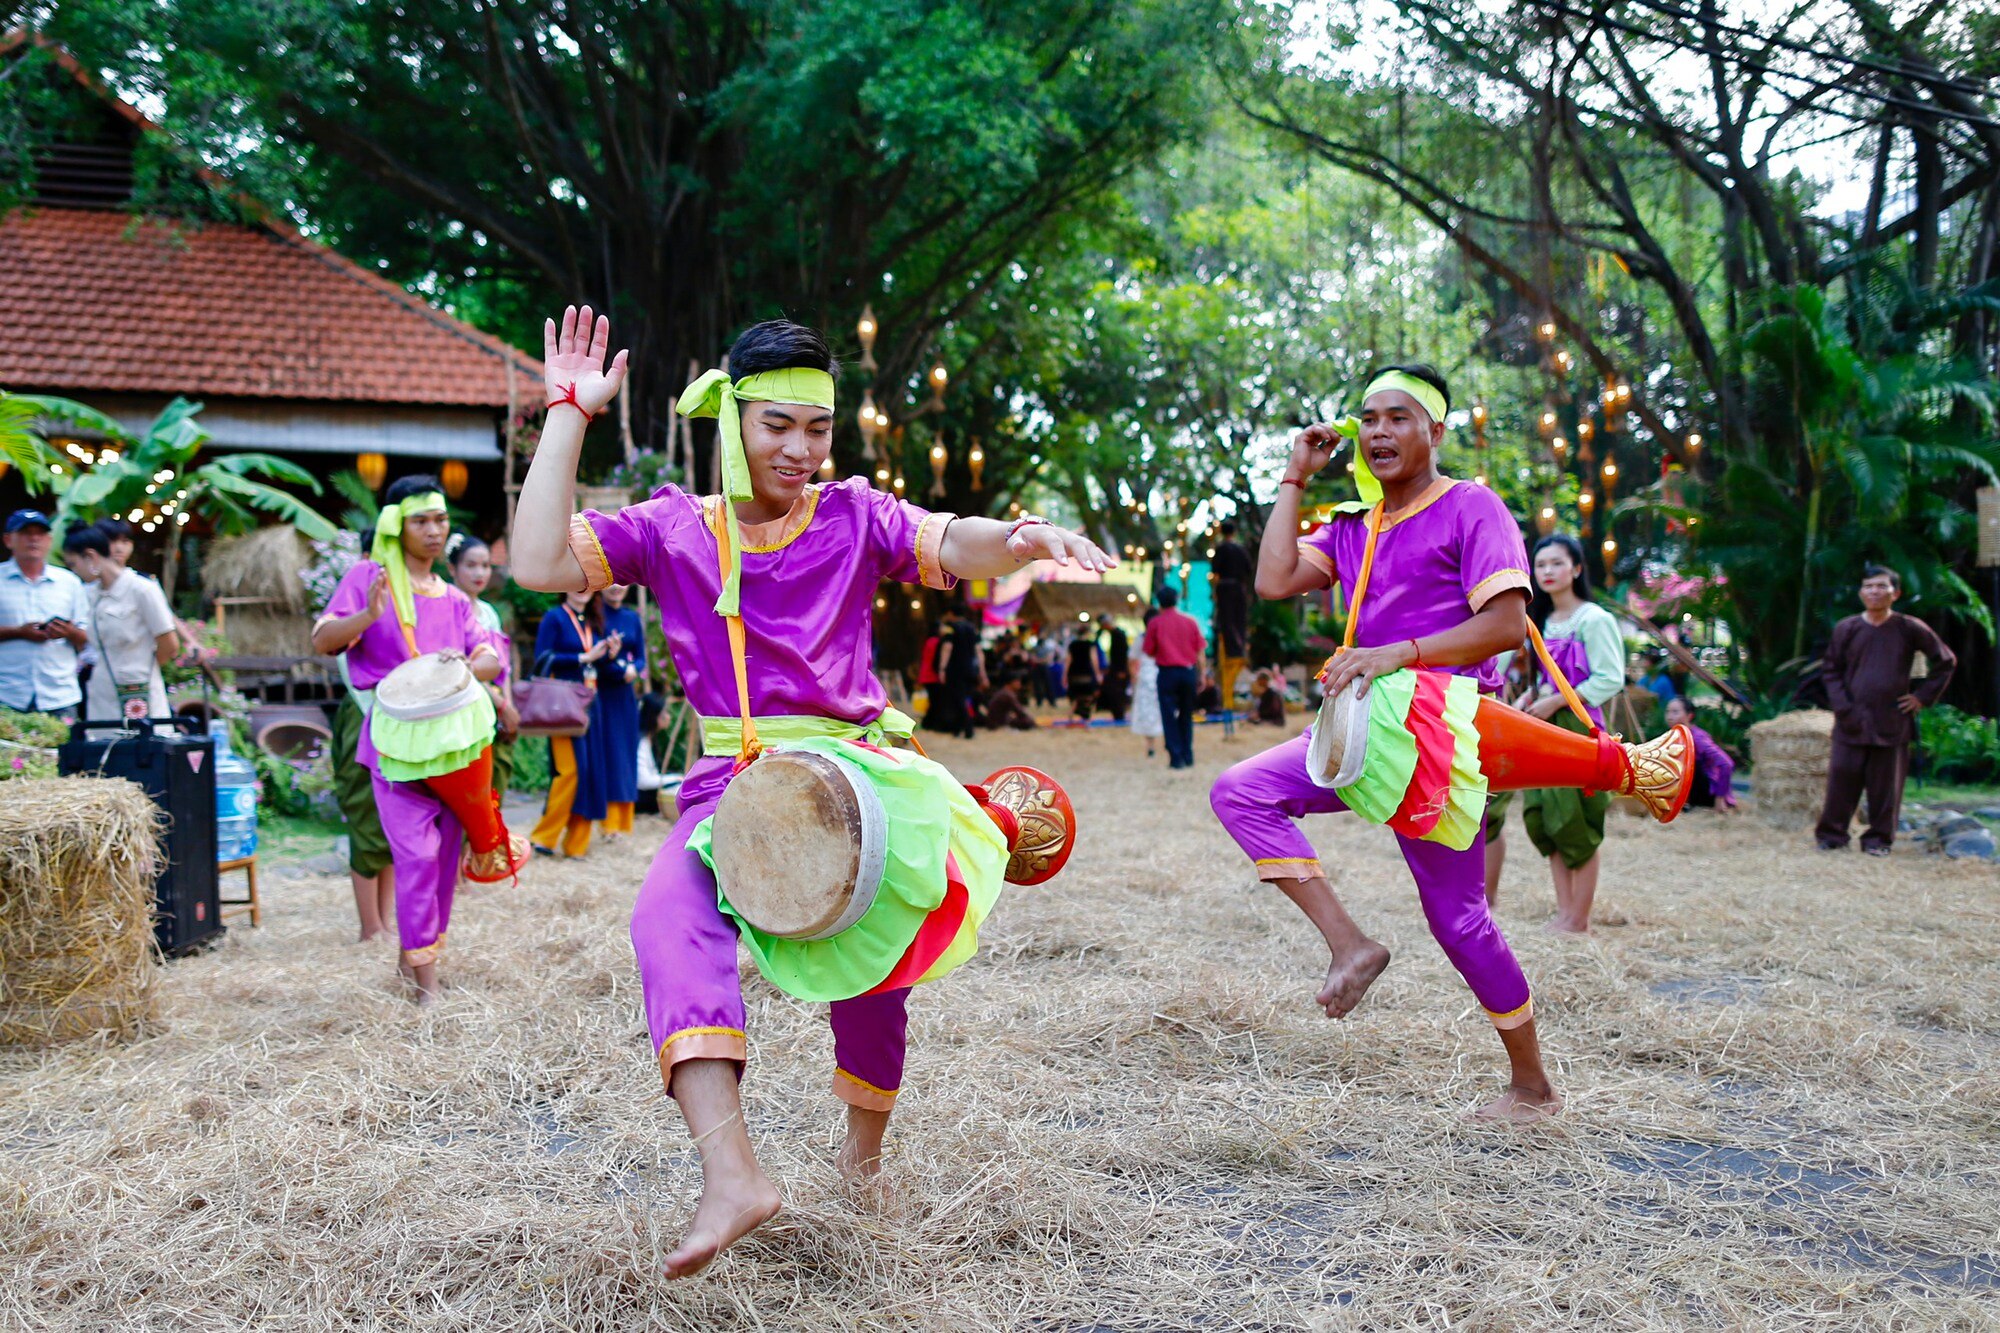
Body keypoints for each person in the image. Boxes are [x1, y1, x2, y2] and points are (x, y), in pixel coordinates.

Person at [508, 307, 1112, 1279]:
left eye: (817, 428)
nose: (799, 449)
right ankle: (732, 1175)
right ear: (733, 423)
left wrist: (1025, 536)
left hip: (856, 770)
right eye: (776, 425)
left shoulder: (855, 514)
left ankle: (862, 1168)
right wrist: (569, 414)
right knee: (664, 919)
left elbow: (956, 539)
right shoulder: (671, 526)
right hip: (726, 781)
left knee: (878, 972)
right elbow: (536, 564)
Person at [1209, 364, 1560, 1122]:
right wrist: (1294, 476)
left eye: (1399, 418)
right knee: (1239, 789)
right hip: (1362, 727)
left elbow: (1503, 625)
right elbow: (1272, 580)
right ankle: (1352, 945)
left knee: (1458, 918)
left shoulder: (1473, 506)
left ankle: (1533, 1086)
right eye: (1368, 419)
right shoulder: (1352, 523)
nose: (1378, 433)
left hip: (1439, 733)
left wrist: (1397, 652)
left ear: (1435, 431)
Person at [311, 477, 506, 1003]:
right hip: (393, 747)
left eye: (440, 520)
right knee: (417, 857)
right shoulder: (368, 578)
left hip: (452, 746)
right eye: (421, 520)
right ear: (397, 524)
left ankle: (413, 956)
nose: (434, 530)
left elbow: (491, 657)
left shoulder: (457, 601)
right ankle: (427, 985)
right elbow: (323, 640)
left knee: (442, 861)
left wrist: (468, 664)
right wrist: (367, 616)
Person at [1484, 534, 1626, 934]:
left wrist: (1557, 701)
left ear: (1577, 569)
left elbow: (1610, 678)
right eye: (1541, 565)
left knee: (1576, 819)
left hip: (1579, 729)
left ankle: (1579, 917)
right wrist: (1532, 698)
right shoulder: (1542, 623)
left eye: (1557, 563)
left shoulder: (1594, 619)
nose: (1547, 571)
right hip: (1543, 725)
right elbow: (1545, 678)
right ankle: (1565, 913)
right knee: (1547, 818)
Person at [1815, 564, 1956, 855]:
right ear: (1860, 592)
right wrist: (1843, 707)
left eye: (1882, 586)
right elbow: (1830, 670)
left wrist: (1922, 697)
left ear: (1896, 593)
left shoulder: (1909, 627)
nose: (1875, 592)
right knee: (1842, 778)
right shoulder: (1847, 628)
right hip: (1851, 720)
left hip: (1891, 719)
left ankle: (1878, 841)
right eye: (1869, 586)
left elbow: (1945, 661)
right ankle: (1832, 837)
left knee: (1885, 787)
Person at [62, 524, 176, 728]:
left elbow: (169, 644)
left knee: (146, 752)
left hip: (140, 691)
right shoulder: (91, 595)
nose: (74, 571)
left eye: (73, 564)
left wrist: (140, 667)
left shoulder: (142, 589)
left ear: (90, 557)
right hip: (102, 692)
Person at [531, 589, 612, 857]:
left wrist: (608, 654)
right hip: (562, 706)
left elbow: (599, 665)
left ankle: (576, 844)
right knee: (569, 771)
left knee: (591, 773)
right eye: (577, 584)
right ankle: (544, 837)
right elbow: (542, 659)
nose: (582, 590)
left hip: (591, 703)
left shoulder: (592, 620)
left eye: (587, 584)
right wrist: (582, 658)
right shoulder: (554, 618)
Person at [447, 534, 521, 804]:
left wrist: (508, 705)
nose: (480, 573)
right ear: (452, 568)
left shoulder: (489, 613)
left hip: (497, 709)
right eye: (471, 565)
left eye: (486, 565)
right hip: (465, 708)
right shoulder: (448, 607)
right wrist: (502, 704)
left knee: (495, 787)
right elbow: (459, 668)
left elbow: (504, 666)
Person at [0, 509, 90, 720]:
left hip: (59, 694)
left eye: (40, 533)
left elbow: (87, 638)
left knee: (63, 753)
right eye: (25, 533)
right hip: (7, 694)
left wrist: (68, 632)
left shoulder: (69, 582)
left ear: (49, 540)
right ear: (8, 540)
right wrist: (19, 632)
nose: (33, 539)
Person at [598, 583, 646, 838]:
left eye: (622, 582)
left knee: (627, 753)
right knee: (609, 754)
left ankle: (624, 823)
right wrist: (620, 670)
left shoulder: (632, 618)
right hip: (604, 694)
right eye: (611, 583)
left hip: (626, 696)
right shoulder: (597, 614)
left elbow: (641, 657)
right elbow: (596, 657)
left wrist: (634, 670)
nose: (617, 587)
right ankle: (607, 825)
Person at [1142, 585, 1204, 768]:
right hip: (1187, 672)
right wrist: (1200, 674)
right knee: (1186, 714)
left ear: (1159, 602)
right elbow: (1200, 652)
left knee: (1168, 715)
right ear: (1176, 600)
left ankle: (1175, 757)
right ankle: (1188, 753)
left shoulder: (1155, 623)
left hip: (1167, 673)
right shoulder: (1190, 622)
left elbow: (1149, 651)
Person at [1212, 518, 1253, 717]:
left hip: (1226, 588)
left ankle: (1233, 648)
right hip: (1239, 588)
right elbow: (1248, 568)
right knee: (1239, 620)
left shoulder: (1222, 549)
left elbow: (1215, 570)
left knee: (1227, 621)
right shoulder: (1240, 550)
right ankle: (1239, 645)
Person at [1664, 696, 1736, 809]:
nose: (1669, 717)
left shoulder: (1697, 738)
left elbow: (1726, 763)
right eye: (1668, 712)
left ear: (1689, 716)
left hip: (1707, 792)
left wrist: (1720, 798)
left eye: (1675, 712)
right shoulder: (1672, 737)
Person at [1130, 607, 1163, 758]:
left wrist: (1134, 675)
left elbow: (1132, 659)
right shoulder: (1144, 638)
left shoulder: (1142, 638)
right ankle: (1152, 744)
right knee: (1154, 711)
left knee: (1149, 711)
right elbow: (1132, 659)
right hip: (1153, 676)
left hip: (1149, 676)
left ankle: (1152, 744)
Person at [1065, 625, 1101, 721]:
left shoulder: (1073, 645)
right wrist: (1097, 674)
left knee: (1075, 696)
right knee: (1088, 696)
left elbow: (1068, 660)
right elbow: (1094, 660)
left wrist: (1064, 675)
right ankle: (1086, 715)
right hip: (1086, 673)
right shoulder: (1090, 644)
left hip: (1074, 673)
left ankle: (1071, 717)